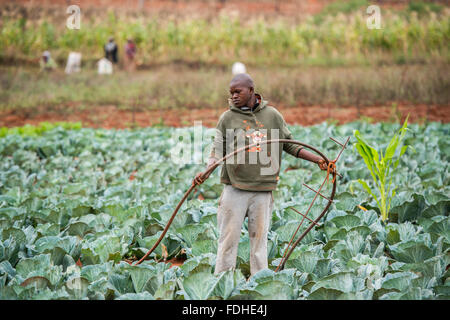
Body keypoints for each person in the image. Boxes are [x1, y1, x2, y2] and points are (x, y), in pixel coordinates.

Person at [194, 73, 330, 277]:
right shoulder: (227, 118)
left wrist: (318, 160)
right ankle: (222, 281)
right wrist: (207, 168)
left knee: (259, 241)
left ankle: (259, 283)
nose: (233, 97)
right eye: (231, 93)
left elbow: (291, 146)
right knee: (228, 240)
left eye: (237, 92)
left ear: (251, 90)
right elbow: (217, 151)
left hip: (263, 190)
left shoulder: (272, 116)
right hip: (235, 189)